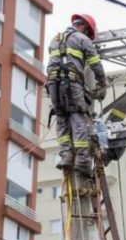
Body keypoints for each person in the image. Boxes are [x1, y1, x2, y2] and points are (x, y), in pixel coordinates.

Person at [46, 14, 107, 176]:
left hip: (53, 84)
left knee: (61, 117)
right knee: (77, 116)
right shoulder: (83, 39)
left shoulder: (55, 39)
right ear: (85, 28)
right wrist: (102, 83)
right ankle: (82, 160)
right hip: (71, 84)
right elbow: (95, 64)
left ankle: (66, 155)